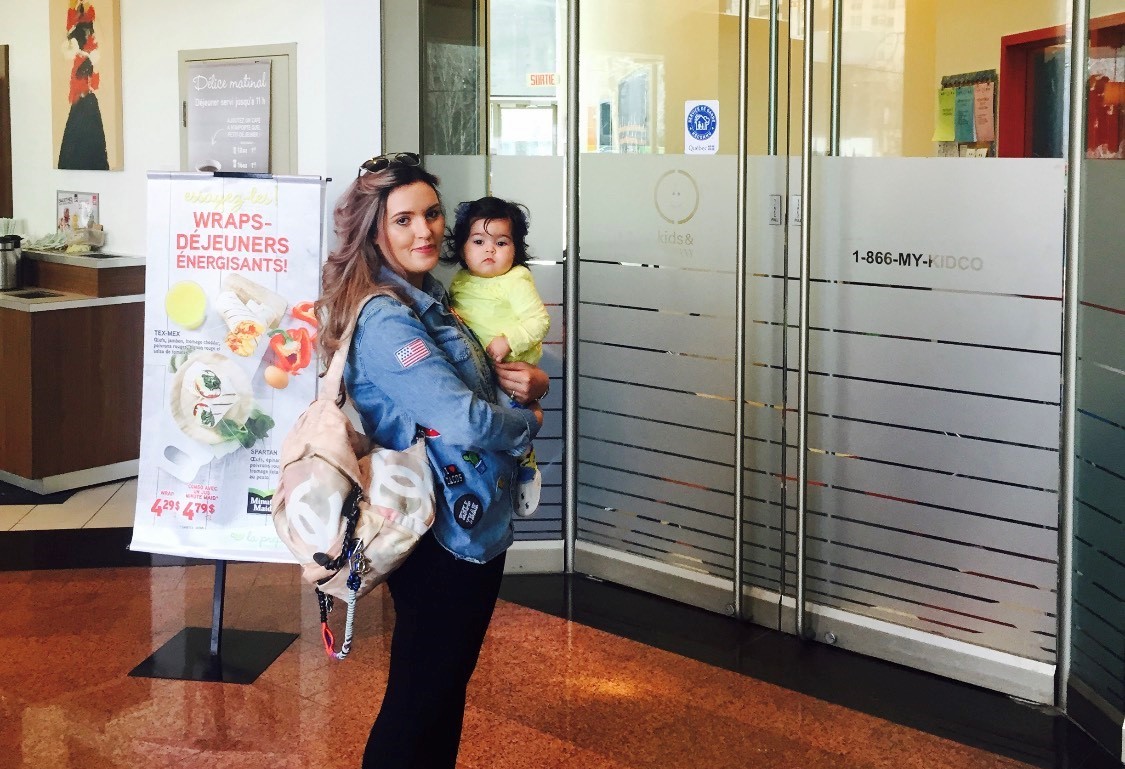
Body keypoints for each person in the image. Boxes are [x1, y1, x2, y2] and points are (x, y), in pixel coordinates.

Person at [316, 152, 549, 769]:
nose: (425, 231)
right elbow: (466, 419)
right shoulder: (390, 319)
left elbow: (477, 392)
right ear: (374, 230)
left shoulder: (435, 297)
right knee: (418, 701)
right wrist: (527, 421)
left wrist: (531, 385)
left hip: (468, 524)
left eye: (433, 214)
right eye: (403, 220)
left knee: (441, 696)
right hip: (440, 536)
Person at [444, 197, 550, 516]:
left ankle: (526, 463)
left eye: (501, 242)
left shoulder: (515, 280)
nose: (489, 250)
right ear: (462, 247)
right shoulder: (460, 281)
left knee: (509, 423)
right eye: (478, 241)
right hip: (476, 372)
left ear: (515, 249)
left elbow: (539, 321)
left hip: (509, 372)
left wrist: (508, 340)